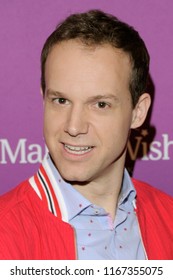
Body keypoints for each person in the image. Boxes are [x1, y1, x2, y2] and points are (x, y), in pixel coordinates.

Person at [0, 9, 173, 260]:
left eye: (100, 104)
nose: (73, 126)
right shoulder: (6, 233)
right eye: (61, 100)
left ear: (137, 112)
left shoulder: (168, 218)